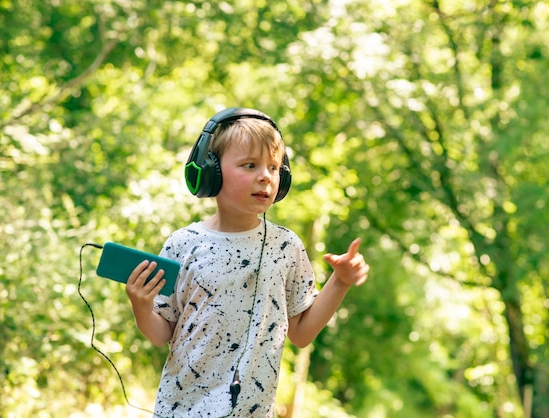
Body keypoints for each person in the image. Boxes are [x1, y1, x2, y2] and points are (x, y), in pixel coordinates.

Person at [125, 108, 369, 417]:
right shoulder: (183, 244)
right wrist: (140, 304)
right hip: (181, 409)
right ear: (210, 172)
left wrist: (341, 281)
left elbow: (302, 333)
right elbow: (161, 334)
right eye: (250, 165)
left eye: (274, 167)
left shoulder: (286, 247)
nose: (266, 176)